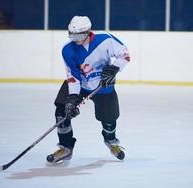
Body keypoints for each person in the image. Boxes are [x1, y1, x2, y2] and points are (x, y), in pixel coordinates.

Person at [46, 16, 130, 163]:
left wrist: (114, 69)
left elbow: (124, 55)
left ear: (88, 32)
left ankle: (111, 142)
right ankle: (66, 148)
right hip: (79, 84)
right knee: (62, 111)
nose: (74, 39)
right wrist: (72, 98)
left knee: (109, 119)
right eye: (72, 34)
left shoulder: (105, 39)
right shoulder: (67, 49)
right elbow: (72, 75)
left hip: (102, 85)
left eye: (78, 35)